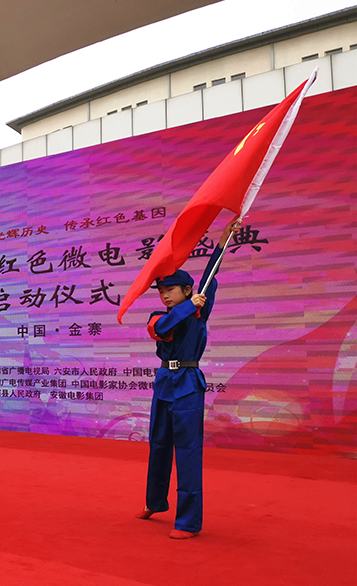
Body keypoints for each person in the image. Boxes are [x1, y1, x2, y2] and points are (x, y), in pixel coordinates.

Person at [136, 218, 241, 539]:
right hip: (164, 383)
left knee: (188, 450)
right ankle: (155, 501)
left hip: (188, 384)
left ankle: (188, 521)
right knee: (158, 445)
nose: (165, 296)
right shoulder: (161, 317)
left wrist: (223, 241)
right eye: (162, 291)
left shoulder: (199, 311)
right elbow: (161, 329)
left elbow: (211, 276)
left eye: (172, 291)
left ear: (188, 290)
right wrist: (184, 307)